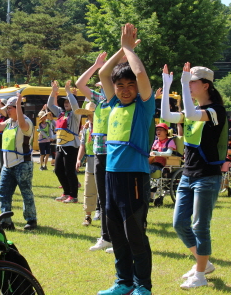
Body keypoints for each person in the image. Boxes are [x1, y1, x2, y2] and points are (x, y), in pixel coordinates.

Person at [97, 24, 154, 295]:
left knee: (134, 234)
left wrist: (130, 50)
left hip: (134, 176)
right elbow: (103, 73)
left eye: (130, 85)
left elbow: (141, 73)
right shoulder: (113, 104)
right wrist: (122, 49)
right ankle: (124, 282)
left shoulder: (144, 106)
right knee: (115, 232)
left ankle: (143, 285)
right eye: (121, 85)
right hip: (111, 175)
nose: (125, 89)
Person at [161, 63, 227, 289]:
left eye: (192, 82)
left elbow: (190, 113)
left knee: (200, 226)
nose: (188, 86)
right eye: (187, 82)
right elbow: (166, 115)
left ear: (206, 85)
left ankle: (200, 275)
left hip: (208, 176)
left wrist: (181, 82)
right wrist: (167, 85)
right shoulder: (193, 110)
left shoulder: (216, 111)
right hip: (188, 174)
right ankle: (204, 263)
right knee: (179, 223)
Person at [76, 54, 115, 252]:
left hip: (115, 153)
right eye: (100, 86)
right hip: (100, 153)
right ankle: (105, 237)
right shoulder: (99, 101)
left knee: (114, 197)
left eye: (103, 85)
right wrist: (95, 65)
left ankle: (116, 238)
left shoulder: (118, 101)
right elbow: (79, 83)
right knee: (104, 197)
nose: (100, 88)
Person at [0, 95, 37, 231]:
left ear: (18, 109)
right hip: (7, 165)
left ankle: (31, 220)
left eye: (10, 108)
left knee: (26, 193)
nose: (7, 111)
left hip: (23, 164)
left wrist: (18, 106)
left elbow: (23, 126)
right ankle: (6, 221)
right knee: (3, 192)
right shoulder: (9, 122)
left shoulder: (26, 122)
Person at [48, 80, 81, 203]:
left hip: (71, 146)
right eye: (65, 102)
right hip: (60, 146)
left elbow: (75, 105)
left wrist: (68, 92)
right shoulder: (61, 113)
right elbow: (50, 105)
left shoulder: (76, 114)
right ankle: (66, 193)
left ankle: (73, 195)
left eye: (68, 102)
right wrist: (53, 92)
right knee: (58, 170)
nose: (67, 103)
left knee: (69, 171)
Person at [75, 102, 97, 227]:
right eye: (87, 114)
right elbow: (82, 145)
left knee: (103, 190)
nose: (88, 116)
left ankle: (101, 212)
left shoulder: (103, 127)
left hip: (103, 161)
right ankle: (88, 216)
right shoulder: (86, 128)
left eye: (90, 114)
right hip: (90, 162)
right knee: (88, 189)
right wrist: (79, 159)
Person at [37, 106, 52, 171]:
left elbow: (48, 115)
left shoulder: (48, 123)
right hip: (41, 141)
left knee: (48, 153)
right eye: (43, 116)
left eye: (45, 116)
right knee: (42, 154)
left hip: (47, 141)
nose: (45, 117)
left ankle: (45, 165)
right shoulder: (39, 125)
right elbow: (42, 132)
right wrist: (48, 137)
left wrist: (46, 109)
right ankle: (41, 166)